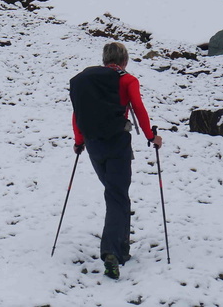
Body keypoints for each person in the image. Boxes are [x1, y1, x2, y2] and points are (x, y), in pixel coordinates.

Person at [69, 41, 162, 280]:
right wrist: (151, 136)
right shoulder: (127, 80)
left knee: (115, 193)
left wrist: (79, 141)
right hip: (118, 142)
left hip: (92, 145)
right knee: (117, 195)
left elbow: (77, 113)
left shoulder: (87, 81)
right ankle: (111, 251)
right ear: (124, 60)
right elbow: (138, 108)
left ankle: (122, 249)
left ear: (104, 58)